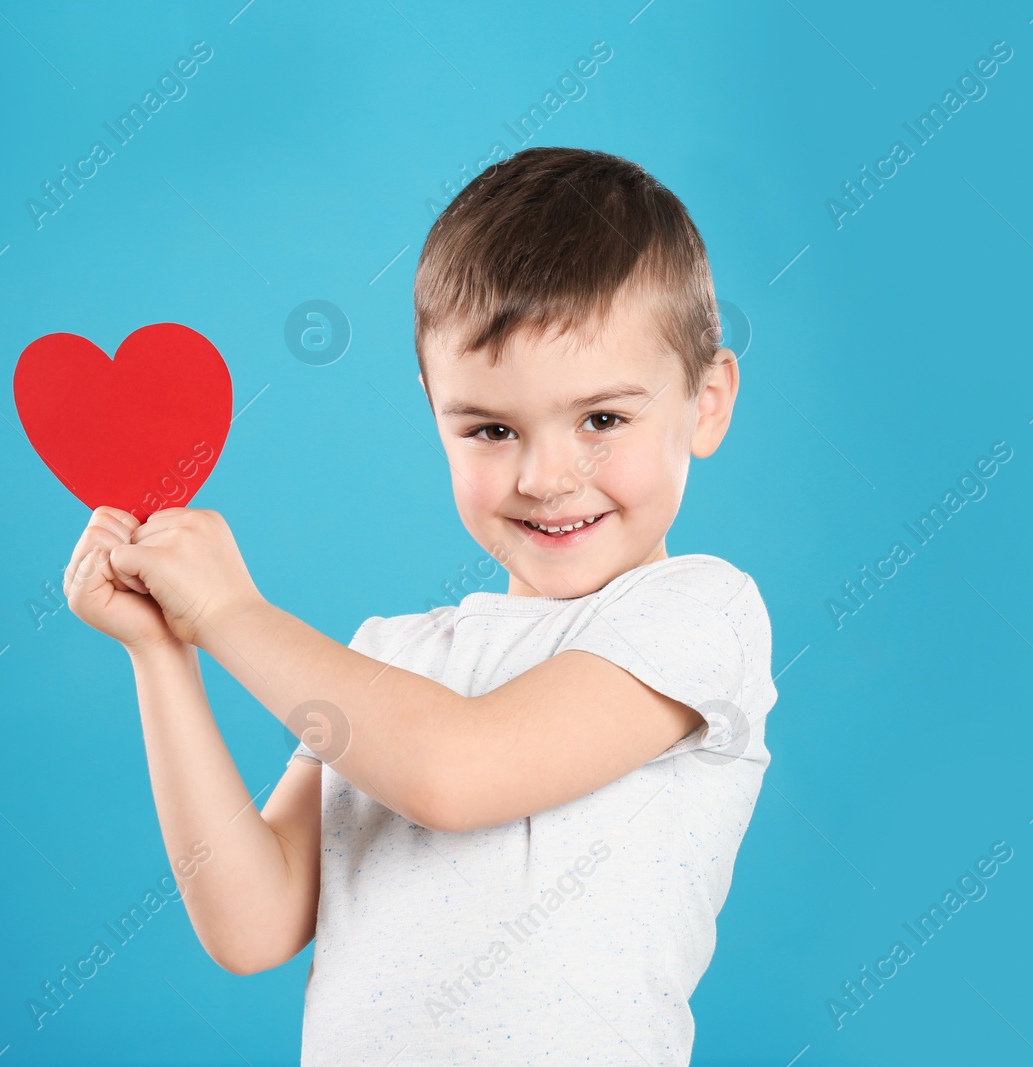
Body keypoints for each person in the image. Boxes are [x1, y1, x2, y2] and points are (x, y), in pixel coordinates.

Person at [64, 146, 777, 1065]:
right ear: (434, 411)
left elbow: (457, 773)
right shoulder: (389, 663)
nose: (545, 475)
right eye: (490, 428)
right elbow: (253, 921)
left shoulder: (699, 615)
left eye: (602, 419)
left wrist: (232, 613)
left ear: (707, 401)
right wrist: (164, 652)